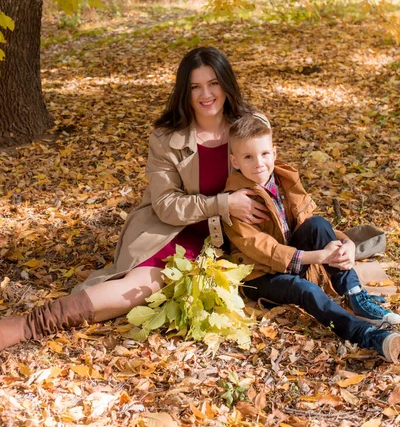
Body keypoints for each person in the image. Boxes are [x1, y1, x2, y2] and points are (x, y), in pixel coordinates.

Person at [0, 46, 270, 350]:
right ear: (185, 91)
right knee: (135, 291)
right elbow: (166, 206)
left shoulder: (252, 125)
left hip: (234, 236)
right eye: (195, 86)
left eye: (213, 83)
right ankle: (29, 324)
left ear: (226, 82)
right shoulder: (167, 139)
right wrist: (224, 204)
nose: (205, 94)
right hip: (174, 231)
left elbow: (275, 185)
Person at [223, 113, 400, 362]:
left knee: (317, 224)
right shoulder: (236, 199)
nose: (259, 163)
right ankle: (367, 334)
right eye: (248, 157)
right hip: (261, 276)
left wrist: (347, 242)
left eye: (264, 154)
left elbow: (310, 220)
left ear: (274, 152)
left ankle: (355, 296)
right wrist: (317, 256)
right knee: (304, 289)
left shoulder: (283, 180)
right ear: (235, 161)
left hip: (294, 257)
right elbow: (263, 249)